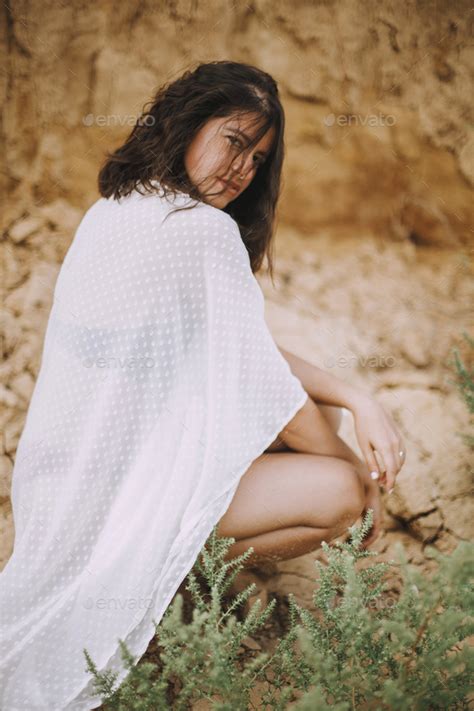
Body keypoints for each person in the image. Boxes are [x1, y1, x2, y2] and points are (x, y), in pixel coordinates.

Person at [0, 60, 406, 709]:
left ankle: (167, 569)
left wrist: (354, 395)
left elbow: (244, 351)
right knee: (340, 488)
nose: (241, 169)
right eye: (234, 140)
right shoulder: (201, 233)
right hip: (121, 502)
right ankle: (173, 579)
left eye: (259, 157)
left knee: (300, 418)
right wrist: (359, 474)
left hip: (64, 501)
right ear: (189, 125)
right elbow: (269, 386)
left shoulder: (115, 210)